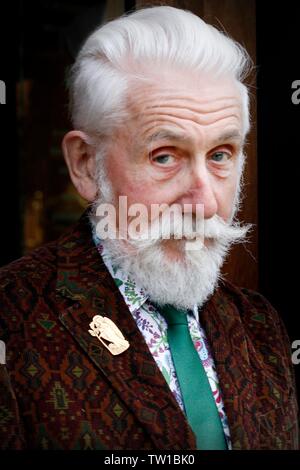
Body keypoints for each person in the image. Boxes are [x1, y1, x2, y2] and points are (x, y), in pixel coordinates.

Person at [0, 6, 298, 450]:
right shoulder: (12, 318)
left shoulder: (261, 325)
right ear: (85, 165)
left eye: (221, 154)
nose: (204, 201)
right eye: (165, 156)